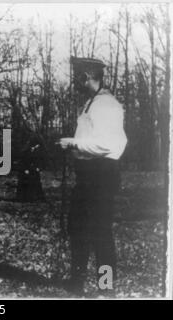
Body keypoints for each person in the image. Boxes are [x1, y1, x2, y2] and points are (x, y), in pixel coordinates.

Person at [58, 57, 127, 296]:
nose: (75, 80)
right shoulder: (91, 103)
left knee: (100, 232)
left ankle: (105, 288)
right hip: (87, 175)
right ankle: (76, 282)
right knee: (77, 228)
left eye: (77, 75)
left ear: (86, 76)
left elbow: (106, 145)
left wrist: (73, 143)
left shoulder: (107, 105)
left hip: (102, 175)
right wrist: (75, 148)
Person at [16, 133, 47, 202]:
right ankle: (24, 198)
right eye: (36, 145)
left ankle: (37, 197)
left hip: (33, 169)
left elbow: (38, 160)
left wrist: (38, 167)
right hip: (25, 170)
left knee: (36, 181)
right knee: (26, 183)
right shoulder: (26, 150)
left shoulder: (37, 151)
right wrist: (25, 169)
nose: (37, 147)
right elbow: (23, 161)